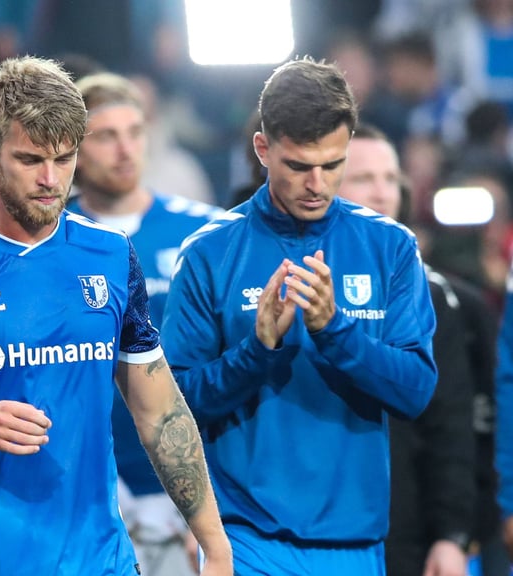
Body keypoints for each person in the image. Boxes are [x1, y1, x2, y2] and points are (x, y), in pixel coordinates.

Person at [0, 55, 232, 576]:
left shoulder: (112, 255)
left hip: (104, 559)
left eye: (65, 157)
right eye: (31, 160)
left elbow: (160, 412)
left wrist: (214, 542)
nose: (51, 179)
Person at [160, 57, 438, 575]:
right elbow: (175, 408)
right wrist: (257, 350)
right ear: (263, 149)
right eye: (298, 166)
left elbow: (416, 391)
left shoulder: (391, 247)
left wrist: (336, 332)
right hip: (246, 541)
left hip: (356, 545)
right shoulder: (208, 253)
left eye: (332, 165)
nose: (317, 183)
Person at [65, 71, 223, 576]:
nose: (125, 149)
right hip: (82, 485)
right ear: (73, 148)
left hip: (185, 484)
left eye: (135, 132)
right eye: (106, 136)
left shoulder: (204, 232)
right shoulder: (49, 240)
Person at [336, 124, 475, 576]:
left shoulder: (432, 296)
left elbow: (450, 421)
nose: (382, 192)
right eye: (363, 178)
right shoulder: (289, 282)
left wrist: (451, 533)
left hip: (403, 531)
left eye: (391, 178)